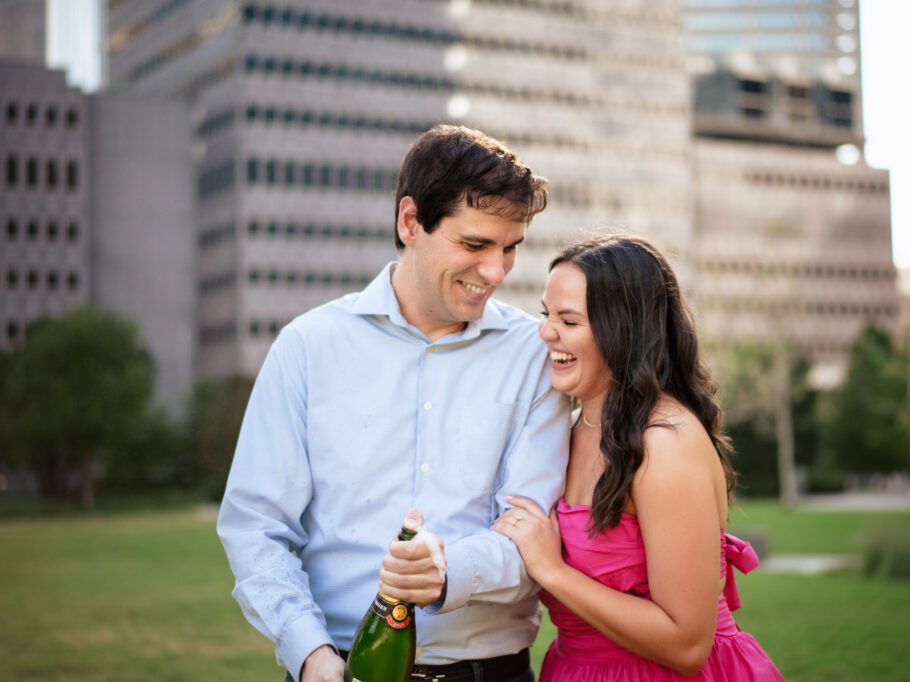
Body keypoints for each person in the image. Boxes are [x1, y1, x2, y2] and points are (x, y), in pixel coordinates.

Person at [217, 125, 571, 682]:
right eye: (476, 245)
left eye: (510, 249)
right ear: (411, 222)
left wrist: (446, 572)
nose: (497, 272)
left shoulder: (536, 356)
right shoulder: (308, 347)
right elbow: (256, 526)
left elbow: (534, 529)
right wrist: (309, 653)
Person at [494, 234, 784, 681]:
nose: (546, 332)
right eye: (546, 314)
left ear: (622, 331)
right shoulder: (566, 430)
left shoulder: (664, 443)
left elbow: (687, 643)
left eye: (568, 321)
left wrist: (552, 570)